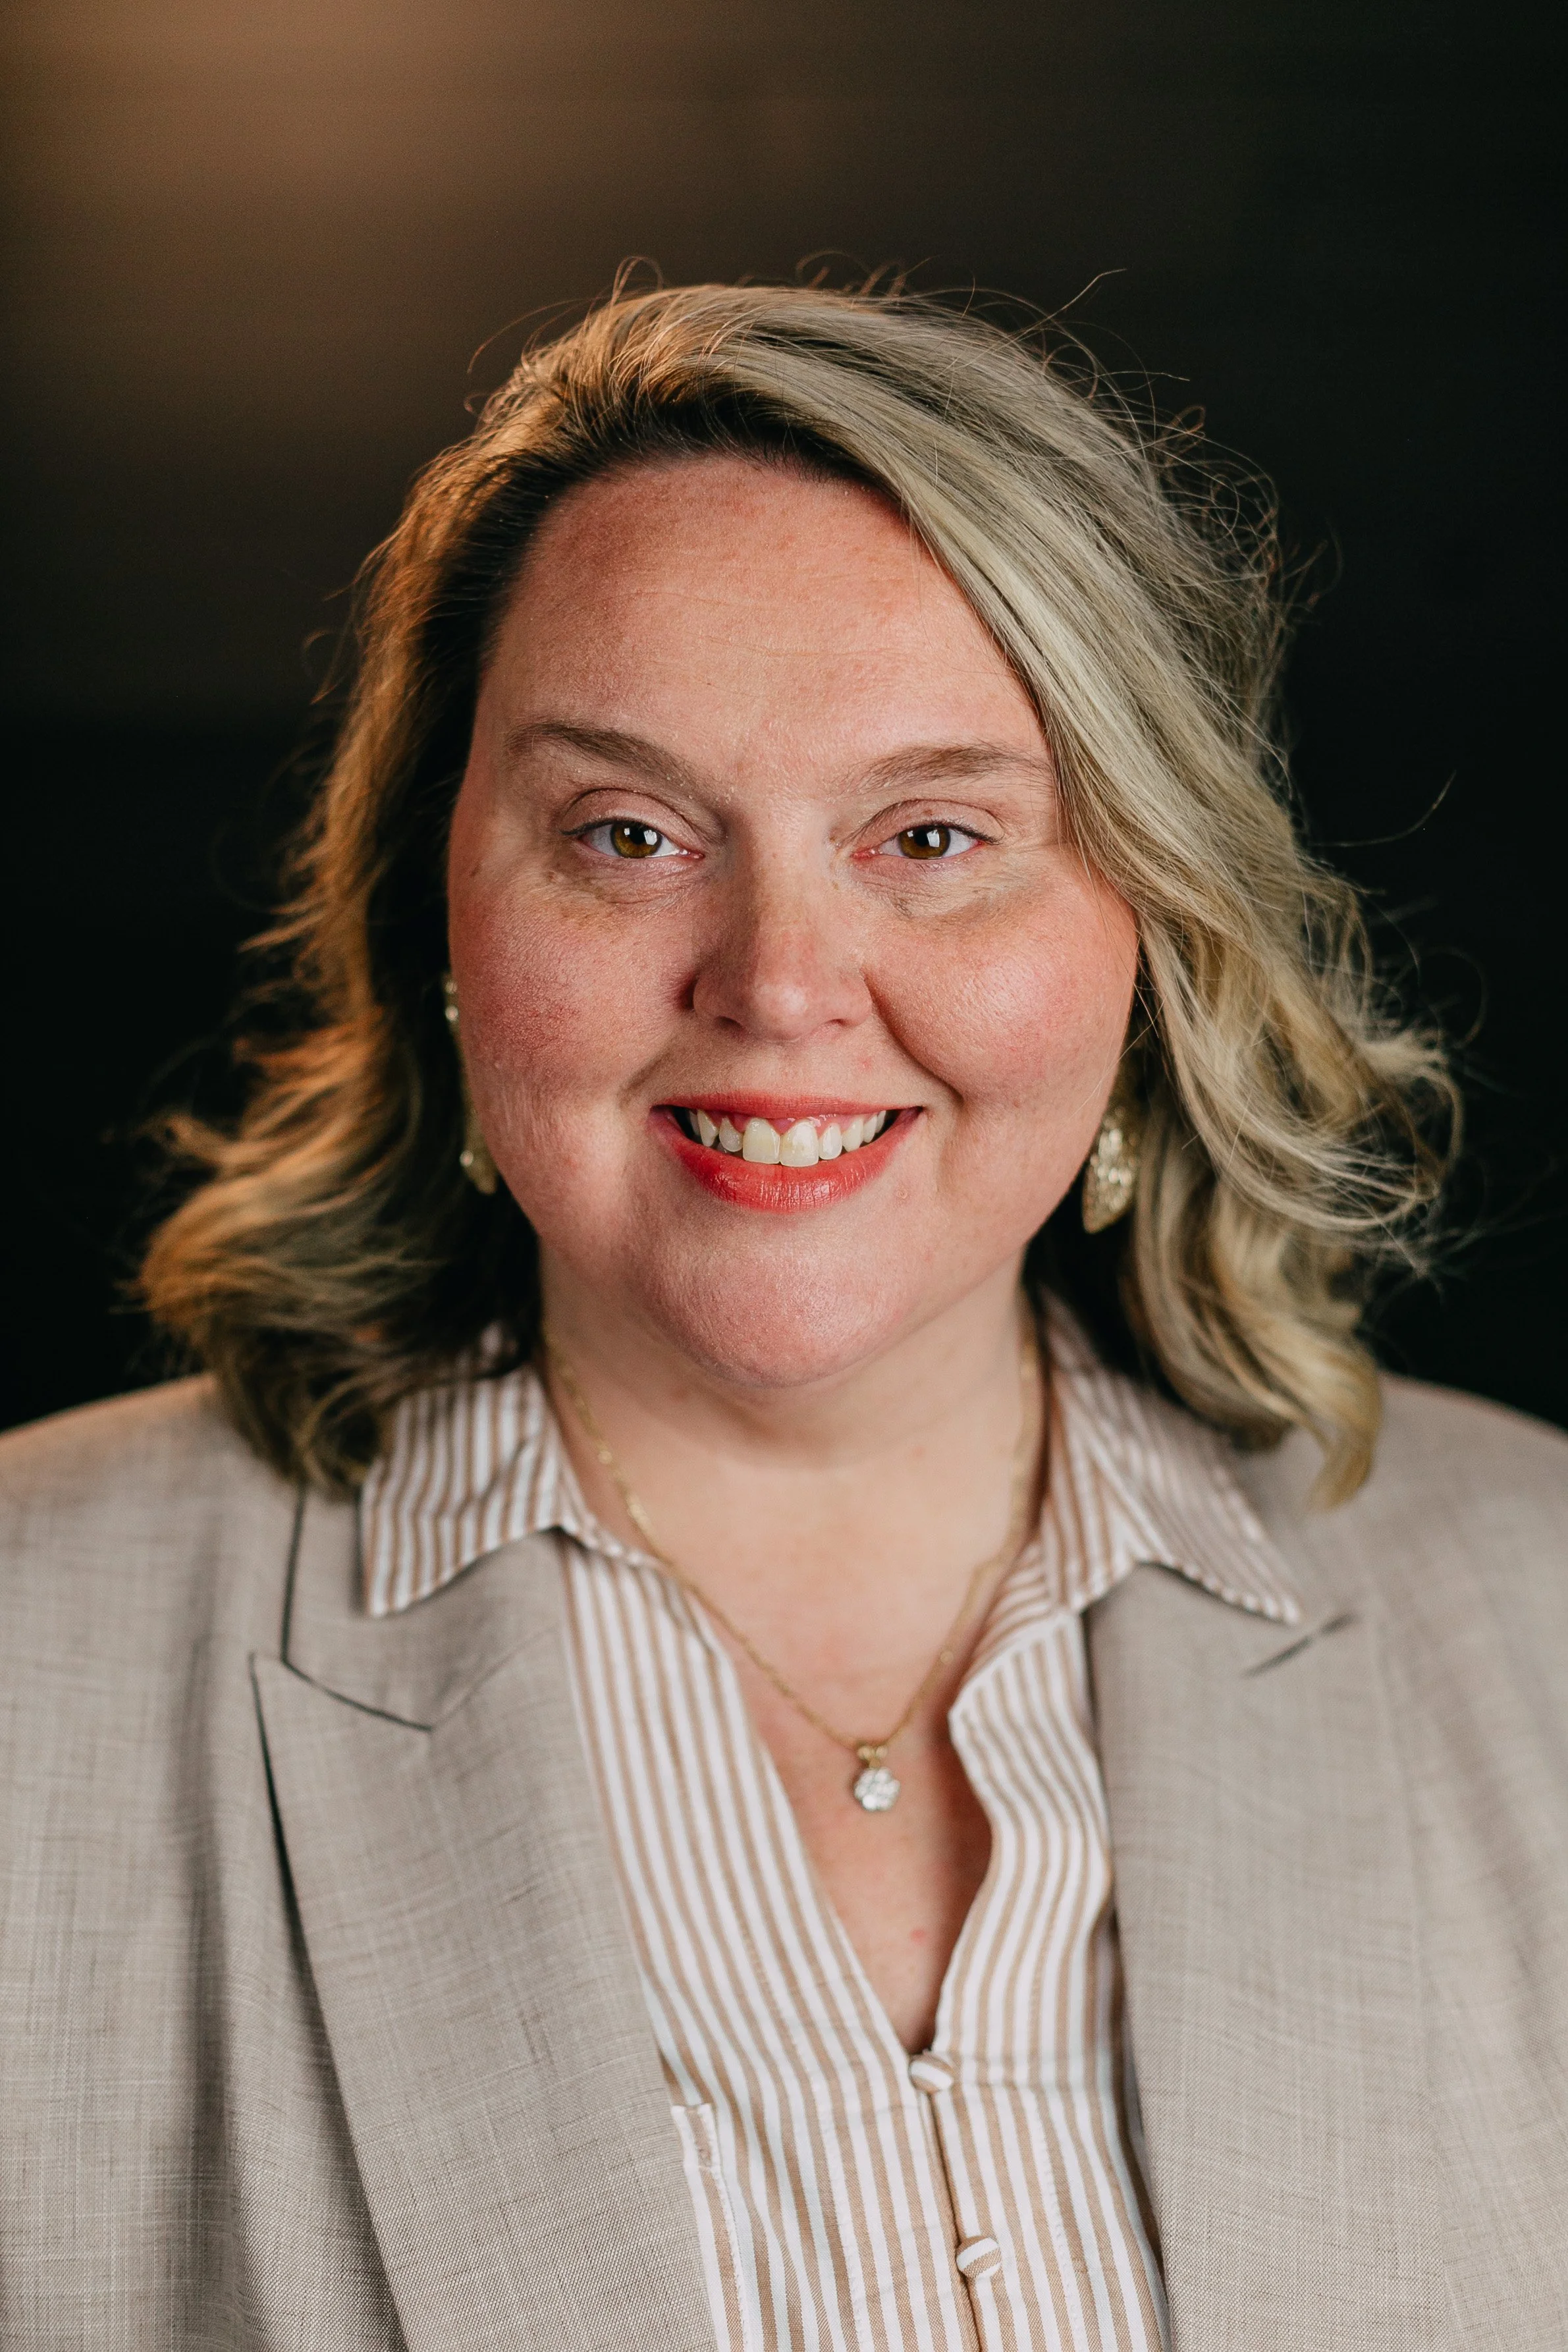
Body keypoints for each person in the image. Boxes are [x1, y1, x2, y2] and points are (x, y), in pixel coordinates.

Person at [2, 282, 1564, 2352]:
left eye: (931, 836)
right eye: (629, 835)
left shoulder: (1539, 1614)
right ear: (436, 913)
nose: (781, 983)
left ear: (1153, 928)